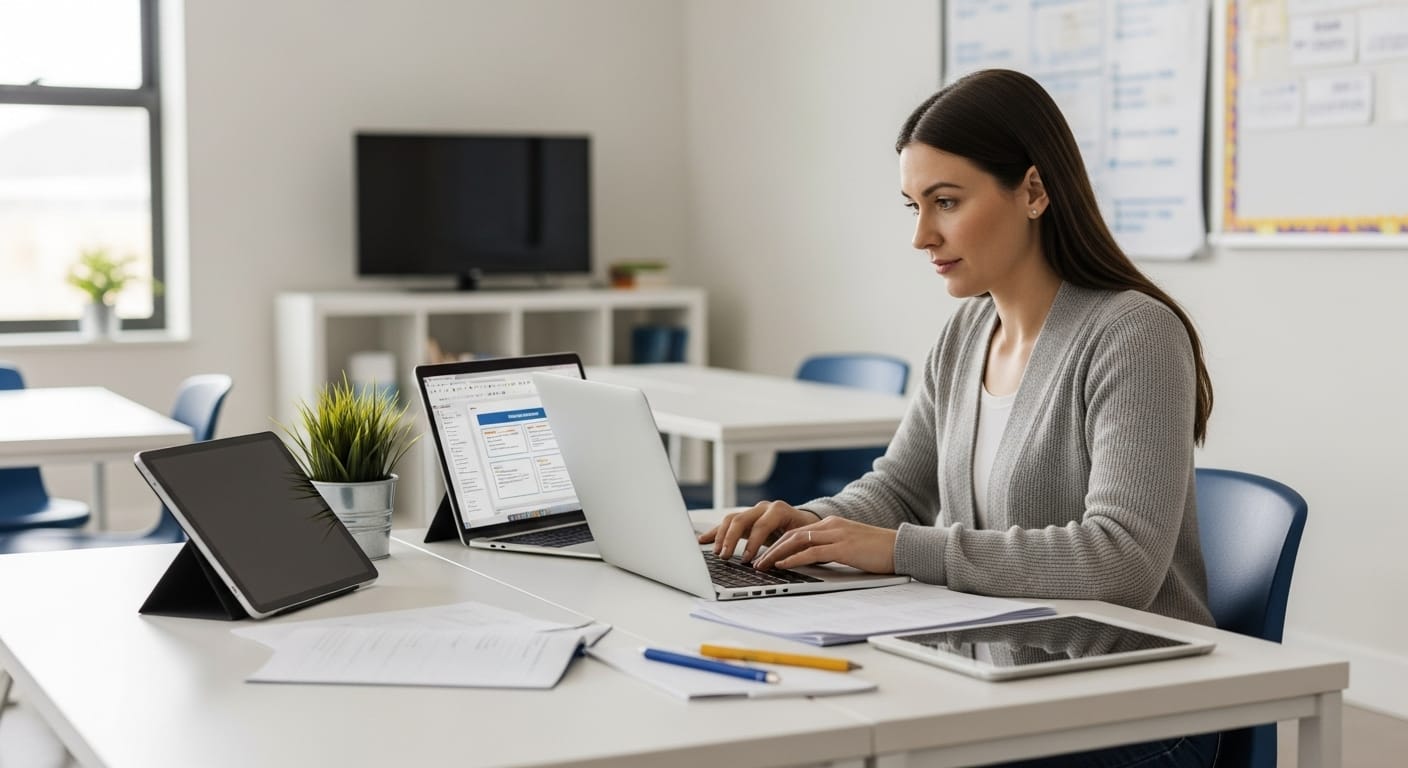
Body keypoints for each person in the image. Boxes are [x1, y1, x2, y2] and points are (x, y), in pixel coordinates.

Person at [700, 69, 1220, 768]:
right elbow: (898, 489)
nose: (922, 235)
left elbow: (1121, 560)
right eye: (913, 205)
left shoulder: (1133, 333)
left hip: (1137, 708)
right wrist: (805, 527)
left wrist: (902, 549)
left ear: (1033, 191)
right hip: (1002, 679)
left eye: (945, 202)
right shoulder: (967, 333)